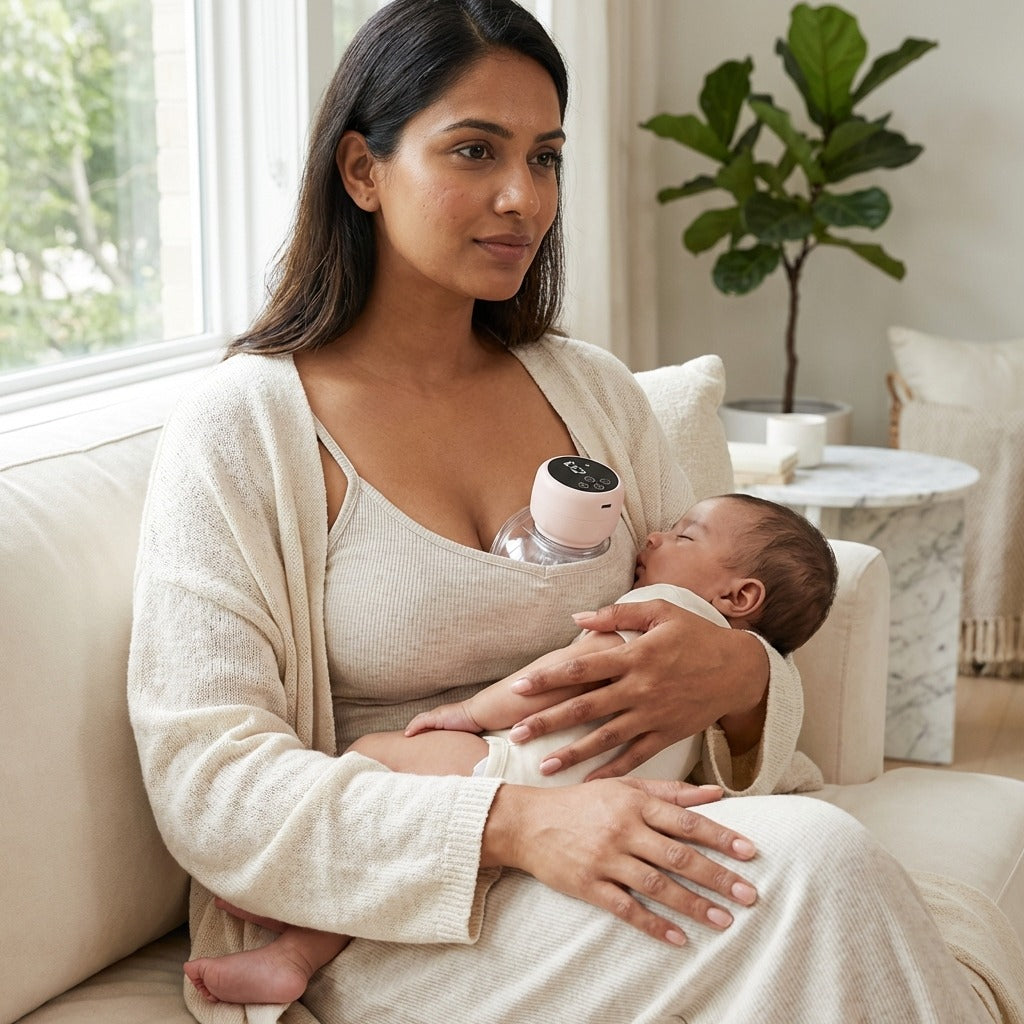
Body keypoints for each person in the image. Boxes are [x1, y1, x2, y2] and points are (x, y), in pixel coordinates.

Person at [127, 1, 1017, 1021]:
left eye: (544, 157)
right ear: (361, 170)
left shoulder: (592, 393)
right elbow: (208, 779)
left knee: (823, 867)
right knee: (820, 867)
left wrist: (737, 675)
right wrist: (509, 823)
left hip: (608, 846)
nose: (522, 198)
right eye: (474, 150)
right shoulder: (244, 429)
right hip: (391, 908)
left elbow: (725, 606)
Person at [182, 491, 838, 1006]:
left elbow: (556, 678)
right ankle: (296, 929)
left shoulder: (663, 610)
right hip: (607, 803)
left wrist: (470, 713)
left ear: (740, 595)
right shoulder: (705, 677)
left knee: (379, 755)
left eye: (685, 535)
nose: (656, 534)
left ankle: (295, 924)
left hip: (517, 766)